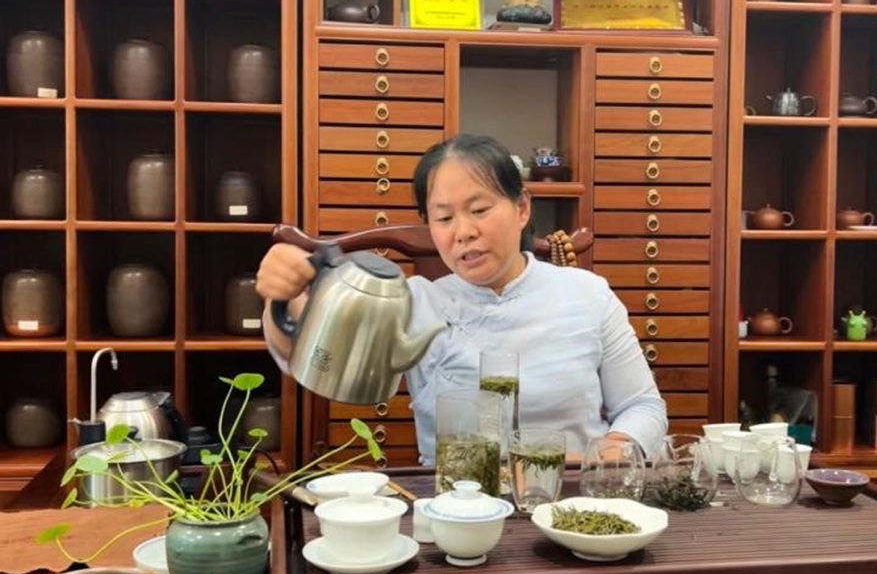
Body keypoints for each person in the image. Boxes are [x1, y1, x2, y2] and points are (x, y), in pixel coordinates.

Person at [256, 134, 667, 465]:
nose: (463, 232)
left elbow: (643, 406)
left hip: (573, 503)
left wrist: (611, 450)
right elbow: (311, 358)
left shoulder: (586, 294)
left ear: (522, 208)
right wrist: (284, 297)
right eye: (444, 218)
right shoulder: (413, 303)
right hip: (455, 508)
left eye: (479, 209)